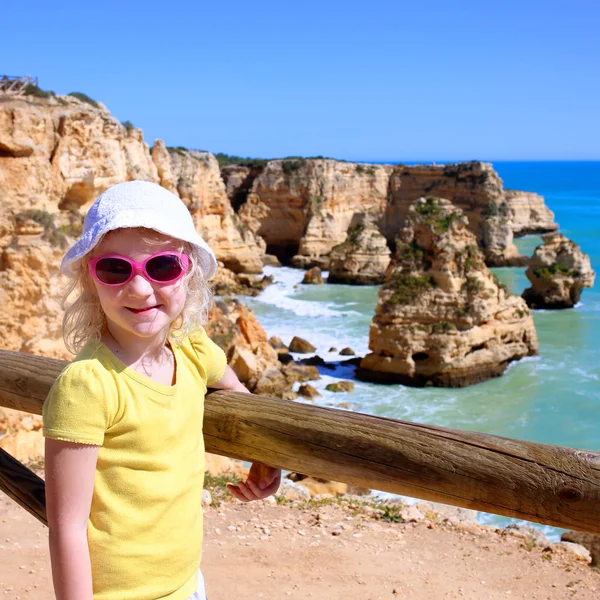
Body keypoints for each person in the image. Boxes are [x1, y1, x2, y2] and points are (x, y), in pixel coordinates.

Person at [43, 180, 281, 600]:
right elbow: (67, 529)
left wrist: (263, 457)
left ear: (187, 270)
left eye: (162, 267)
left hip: (188, 585)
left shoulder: (192, 349)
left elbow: (240, 396)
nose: (139, 288)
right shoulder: (88, 384)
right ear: (89, 276)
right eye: (115, 269)